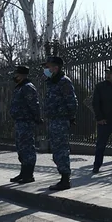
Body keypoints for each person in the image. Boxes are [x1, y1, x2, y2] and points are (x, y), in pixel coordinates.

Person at [43, 56, 78, 191]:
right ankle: (63, 177)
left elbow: (72, 101)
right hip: (53, 119)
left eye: (48, 66)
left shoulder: (64, 82)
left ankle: (65, 179)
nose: (46, 69)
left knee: (61, 149)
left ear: (55, 68)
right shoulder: (52, 82)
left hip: (61, 119)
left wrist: (71, 117)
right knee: (56, 149)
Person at [9, 65, 42, 184]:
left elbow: (34, 104)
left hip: (26, 122)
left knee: (28, 148)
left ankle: (29, 174)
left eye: (16, 74)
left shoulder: (28, 87)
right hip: (19, 121)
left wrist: (37, 118)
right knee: (21, 148)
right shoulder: (19, 87)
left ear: (22, 75)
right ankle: (23, 172)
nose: (14, 77)